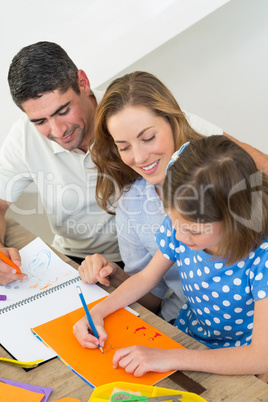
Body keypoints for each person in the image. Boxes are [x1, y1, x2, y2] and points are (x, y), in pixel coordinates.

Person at [78, 71, 268, 322]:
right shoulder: (135, 203)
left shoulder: (225, 174)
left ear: (173, 122)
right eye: (124, 147)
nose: (139, 157)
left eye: (148, 138)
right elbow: (150, 292)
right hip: (186, 323)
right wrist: (112, 275)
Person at [73, 135, 268, 379]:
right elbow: (145, 278)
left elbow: (260, 357)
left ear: (235, 218)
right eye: (173, 220)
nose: (179, 234)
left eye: (193, 230)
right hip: (189, 336)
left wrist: (170, 357)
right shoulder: (180, 227)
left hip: (239, 358)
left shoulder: (262, 258)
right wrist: (98, 312)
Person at [0, 41, 121, 286]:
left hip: (143, 262)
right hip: (72, 261)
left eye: (63, 110)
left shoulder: (127, 108)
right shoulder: (23, 135)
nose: (58, 131)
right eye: (40, 121)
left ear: (83, 83)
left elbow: (217, 148)